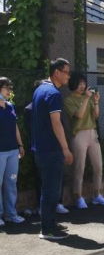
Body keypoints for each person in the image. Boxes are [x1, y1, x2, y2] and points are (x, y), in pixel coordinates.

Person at [32, 59, 74, 240]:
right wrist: (66, 149)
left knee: (47, 189)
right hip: (52, 150)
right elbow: (56, 123)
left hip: (40, 149)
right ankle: (47, 229)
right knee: (51, 190)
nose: (68, 76)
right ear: (57, 72)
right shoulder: (53, 93)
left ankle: (49, 223)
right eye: (66, 72)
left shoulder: (40, 90)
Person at [64, 73, 104, 209]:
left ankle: (97, 195)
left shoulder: (88, 98)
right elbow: (79, 115)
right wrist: (86, 99)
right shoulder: (68, 100)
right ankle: (78, 196)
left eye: (84, 83)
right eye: (79, 84)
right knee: (79, 167)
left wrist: (95, 101)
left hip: (92, 132)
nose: (82, 86)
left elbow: (96, 115)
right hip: (79, 134)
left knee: (98, 166)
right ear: (73, 85)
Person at [24, 80, 69, 216]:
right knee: (42, 179)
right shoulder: (29, 109)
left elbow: (60, 123)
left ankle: (57, 204)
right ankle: (42, 207)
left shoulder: (54, 103)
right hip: (41, 148)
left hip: (55, 146)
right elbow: (31, 129)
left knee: (57, 177)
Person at [0, 77, 26, 227]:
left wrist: (20, 144)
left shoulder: (10, 106)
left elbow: (15, 126)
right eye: (7, 88)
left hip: (12, 151)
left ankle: (11, 214)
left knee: (11, 182)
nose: (10, 91)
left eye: (10, 88)